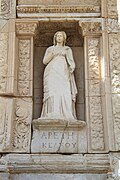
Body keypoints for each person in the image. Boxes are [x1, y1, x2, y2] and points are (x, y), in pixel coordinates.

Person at [40, 31, 77, 121]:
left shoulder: (67, 49)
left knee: (65, 90)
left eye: (61, 36)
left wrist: (72, 67)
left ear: (64, 38)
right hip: (51, 71)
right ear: (55, 38)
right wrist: (53, 53)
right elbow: (44, 61)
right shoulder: (50, 49)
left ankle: (66, 113)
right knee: (52, 91)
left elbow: (71, 61)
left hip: (63, 71)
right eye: (58, 36)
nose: (59, 37)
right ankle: (52, 112)